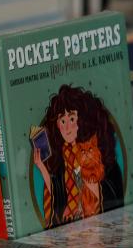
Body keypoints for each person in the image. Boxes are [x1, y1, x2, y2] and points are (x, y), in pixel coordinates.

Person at [33, 84, 124, 228]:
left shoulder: (98, 153)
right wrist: (41, 166)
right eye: (62, 121)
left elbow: (113, 197)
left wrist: (87, 179)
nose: (67, 128)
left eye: (72, 119)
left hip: (96, 227)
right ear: (57, 125)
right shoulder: (60, 163)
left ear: (81, 119)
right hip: (71, 229)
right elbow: (58, 197)